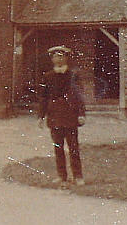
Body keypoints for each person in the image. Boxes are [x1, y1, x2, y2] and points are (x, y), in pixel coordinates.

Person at [38, 45, 86, 188]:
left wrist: (81, 114)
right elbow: (43, 98)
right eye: (55, 57)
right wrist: (41, 116)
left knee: (73, 148)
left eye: (61, 56)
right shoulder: (47, 77)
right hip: (54, 116)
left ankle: (78, 176)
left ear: (66, 58)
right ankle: (62, 176)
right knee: (58, 147)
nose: (58, 59)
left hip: (70, 116)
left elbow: (79, 96)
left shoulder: (73, 76)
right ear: (52, 59)